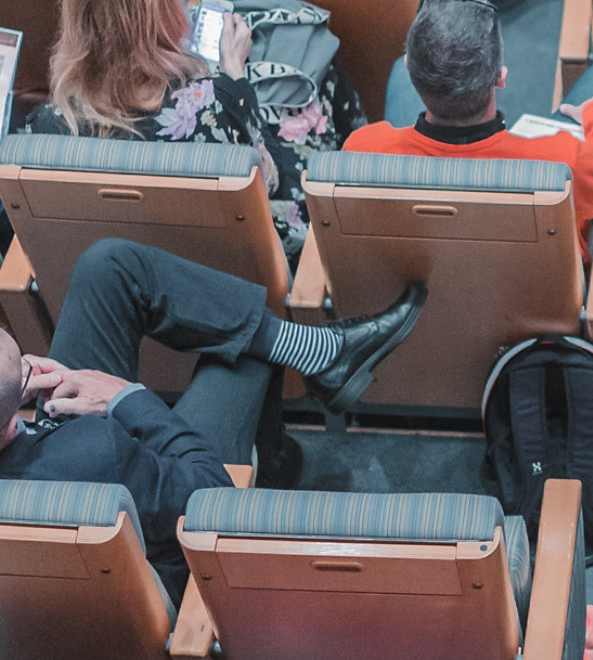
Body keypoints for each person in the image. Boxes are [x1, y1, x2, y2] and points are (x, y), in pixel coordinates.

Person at [0, 239, 426, 597]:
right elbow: (209, 491)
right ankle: (278, 459)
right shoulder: (102, 451)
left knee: (107, 267)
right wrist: (126, 399)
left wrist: (17, 397)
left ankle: (318, 353)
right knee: (244, 356)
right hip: (134, 510)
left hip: (39, 450)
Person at [17, 0, 355, 258]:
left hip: (118, 295)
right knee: (313, 90)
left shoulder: (45, 129)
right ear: (165, 17)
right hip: (234, 277)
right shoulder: (215, 106)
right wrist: (235, 74)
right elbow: (269, 184)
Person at [344, 0, 593, 253]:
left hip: (418, 301)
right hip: (536, 304)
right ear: (501, 77)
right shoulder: (562, 163)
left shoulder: (362, 152)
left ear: (413, 71)